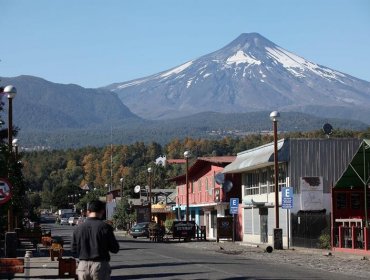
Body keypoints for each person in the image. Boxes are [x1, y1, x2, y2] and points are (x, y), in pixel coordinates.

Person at [71, 200, 119, 280]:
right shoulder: (105, 227)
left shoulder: (78, 228)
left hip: (83, 266)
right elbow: (115, 249)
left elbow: (73, 249)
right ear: (102, 211)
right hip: (100, 265)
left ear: (88, 212)